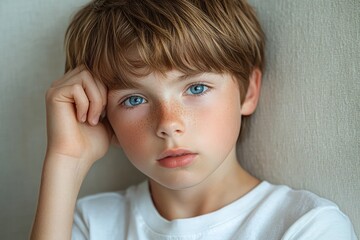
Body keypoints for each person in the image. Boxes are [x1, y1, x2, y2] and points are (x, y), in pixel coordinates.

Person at [30, 0, 357, 239]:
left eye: (196, 88)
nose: (168, 123)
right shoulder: (89, 224)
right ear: (103, 115)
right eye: (134, 99)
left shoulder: (306, 227)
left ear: (248, 92)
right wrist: (65, 159)